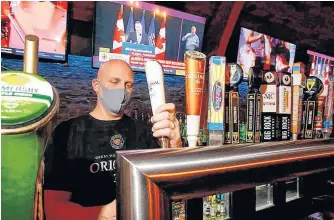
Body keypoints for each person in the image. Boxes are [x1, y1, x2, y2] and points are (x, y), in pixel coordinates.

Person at [43, 59, 182, 220]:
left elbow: (170, 189)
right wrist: (101, 214)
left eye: (128, 85)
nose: (122, 90)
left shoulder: (144, 132)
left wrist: (175, 146)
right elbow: (52, 207)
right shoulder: (67, 132)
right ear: (96, 85)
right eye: (114, 82)